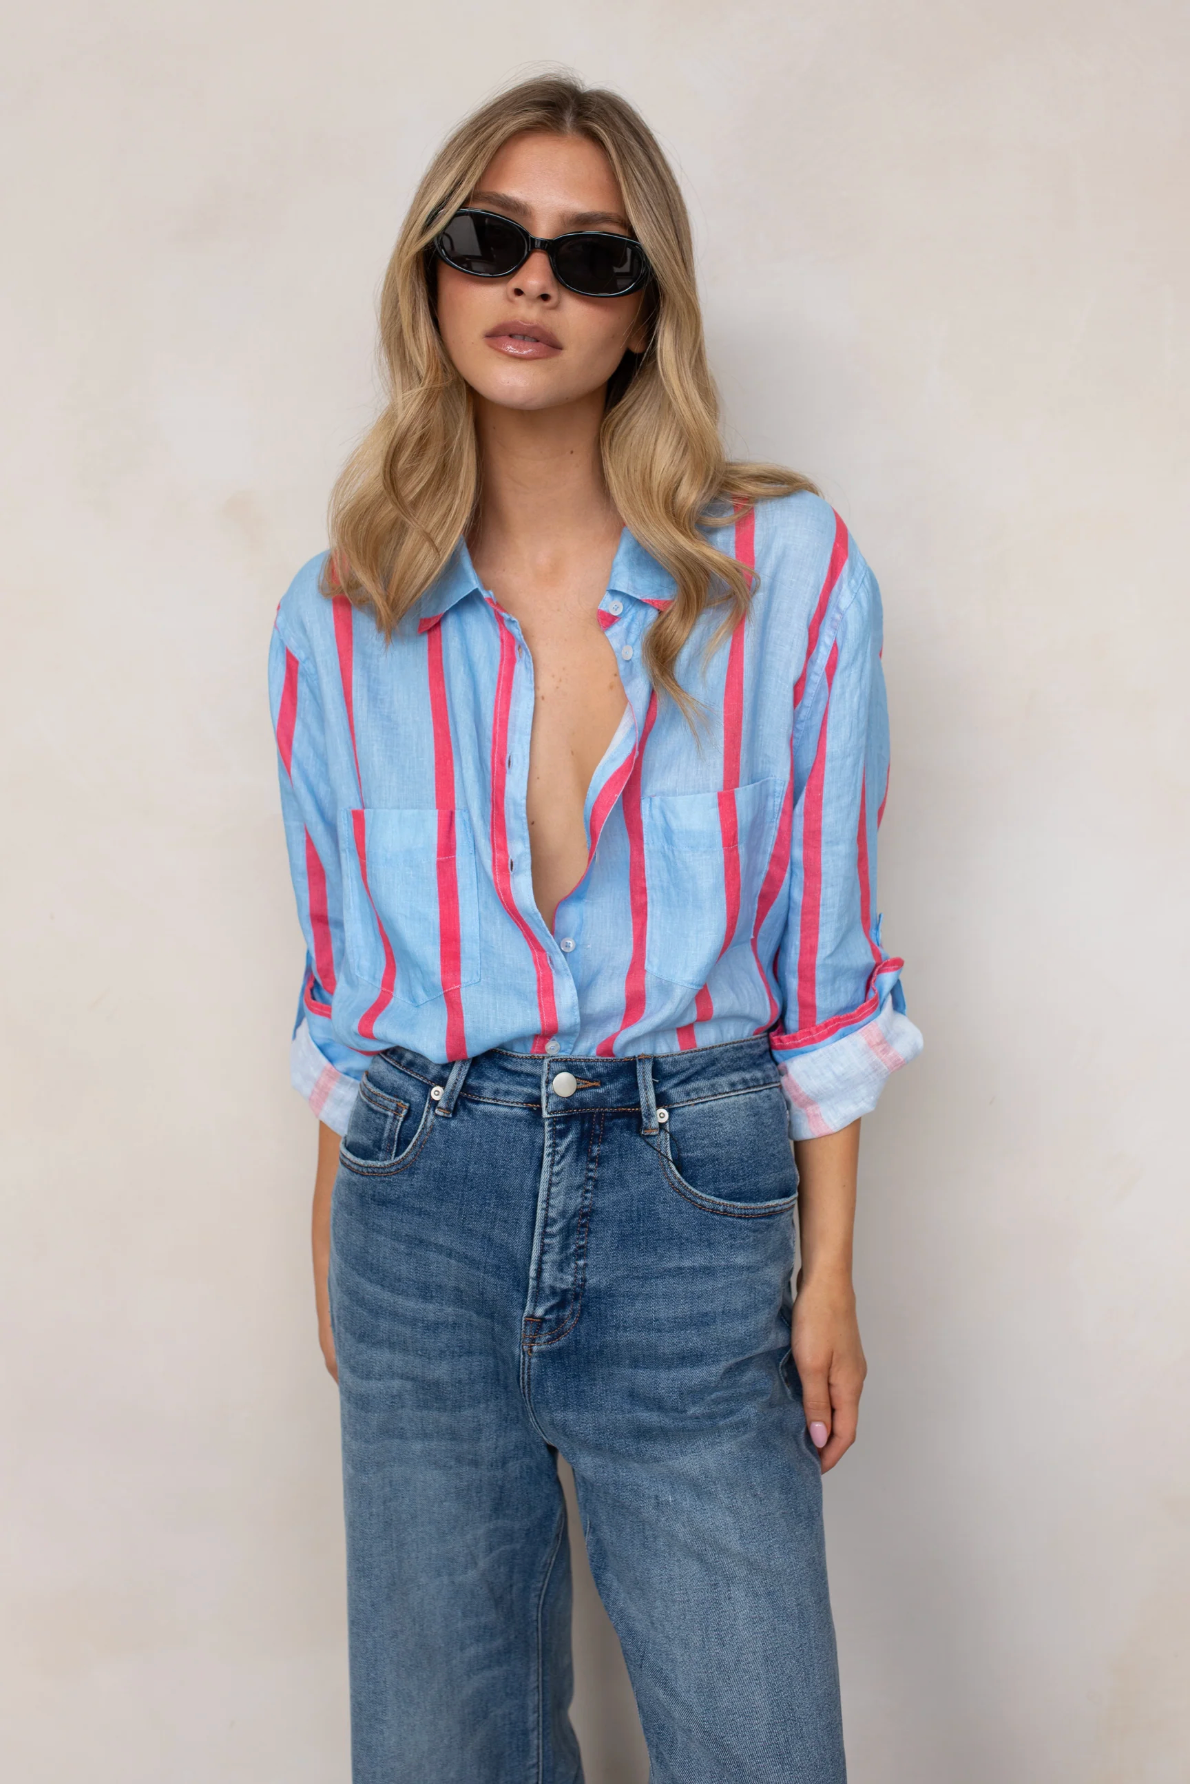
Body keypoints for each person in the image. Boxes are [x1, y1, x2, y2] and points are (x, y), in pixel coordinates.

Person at [269, 72, 922, 1784]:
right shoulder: (338, 615)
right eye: (488, 240)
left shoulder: (785, 571)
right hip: (420, 1205)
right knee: (441, 1752)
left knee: (758, 1744)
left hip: (693, 1198)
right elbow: (345, 989)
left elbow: (825, 958)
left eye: (591, 256)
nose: (532, 283)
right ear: (431, 278)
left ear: (645, 314)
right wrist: (338, 1237)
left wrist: (827, 1273)